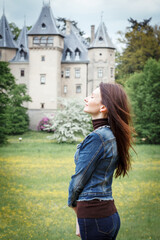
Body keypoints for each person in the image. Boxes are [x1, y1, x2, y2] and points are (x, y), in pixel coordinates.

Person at [68, 82, 134, 240]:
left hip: (94, 216)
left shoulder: (98, 138)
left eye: (91, 96)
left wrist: (75, 209)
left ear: (103, 107)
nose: (86, 99)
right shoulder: (111, 135)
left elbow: (78, 179)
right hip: (108, 215)